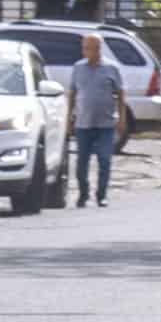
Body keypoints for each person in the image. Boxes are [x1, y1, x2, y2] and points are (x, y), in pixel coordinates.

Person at [62, 30, 133, 206]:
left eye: (93, 48)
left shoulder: (111, 68)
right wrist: (69, 118)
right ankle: (83, 194)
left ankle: (101, 194)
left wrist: (122, 118)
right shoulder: (78, 68)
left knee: (104, 159)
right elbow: (72, 93)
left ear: (100, 49)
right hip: (83, 123)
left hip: (106, 123)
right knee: (81, 163)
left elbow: (121, 94)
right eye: (86, 48)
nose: (89, 52)